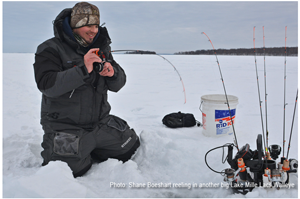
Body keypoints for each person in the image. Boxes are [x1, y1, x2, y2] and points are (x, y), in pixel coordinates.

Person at [33, 2, 140, 178]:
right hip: (66, 126)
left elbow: (118, 85)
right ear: (75, 25)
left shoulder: (101, 47)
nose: (94, 30)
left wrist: (112, 73)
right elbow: (47, 85)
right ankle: (80, 151)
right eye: (88, 25)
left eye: (96, 25)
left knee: (130, 148)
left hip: (99, 123)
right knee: (68, 172)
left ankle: (92, 147)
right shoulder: (50, 48)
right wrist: (84, 68)